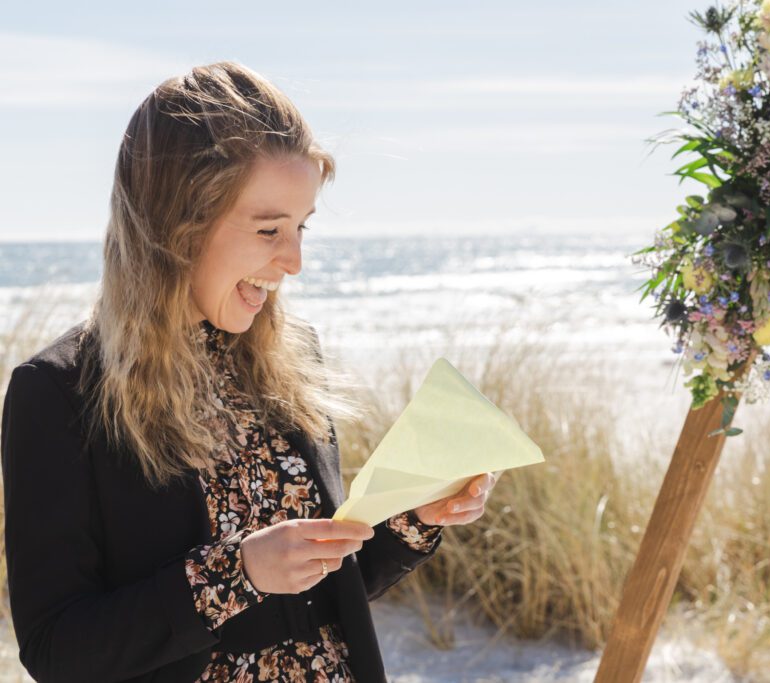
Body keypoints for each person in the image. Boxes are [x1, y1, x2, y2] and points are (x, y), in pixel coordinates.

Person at [0, 61, 495, 683]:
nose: (293, 261)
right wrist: (237, 574)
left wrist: (416, 517)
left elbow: (329, 589)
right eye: (269, 229)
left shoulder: (293, 358)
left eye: (301, 227)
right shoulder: (57, 393)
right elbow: (57, 649)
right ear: (175, 225)